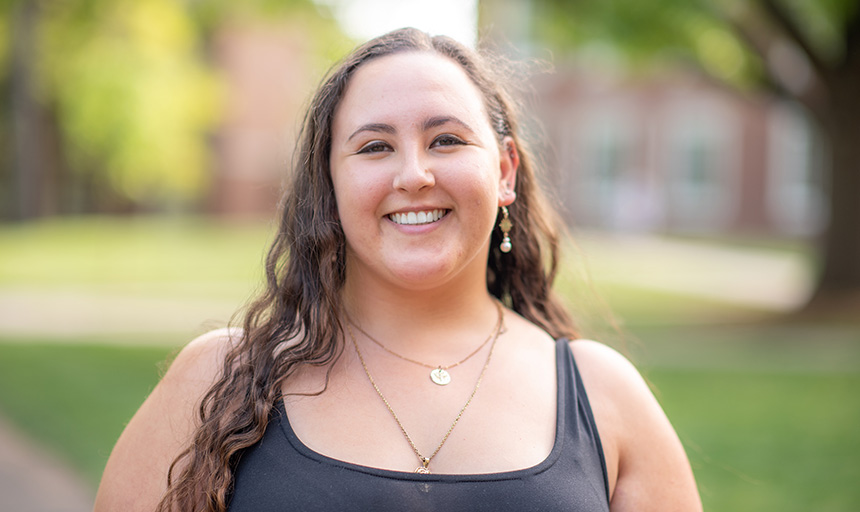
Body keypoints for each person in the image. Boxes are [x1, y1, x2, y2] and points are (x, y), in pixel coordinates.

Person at [94, 28, 701, 511]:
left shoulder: (604, 396)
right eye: (374, 147)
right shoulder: (218, 382)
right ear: (329, 183)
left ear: (505, 172)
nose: (414, 174)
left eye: (446, 140)